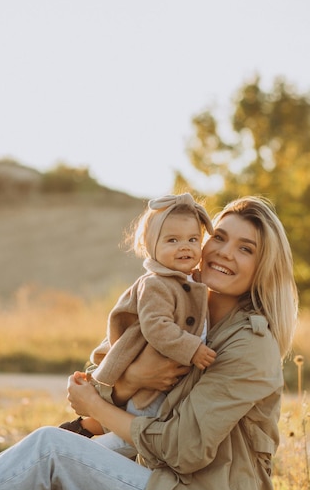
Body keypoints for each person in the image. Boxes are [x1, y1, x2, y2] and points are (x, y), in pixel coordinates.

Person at [0, 195, 298, 490]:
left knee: (49, 451)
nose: (224, 253)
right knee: (42, 460)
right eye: (220, 238)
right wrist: (130, 382)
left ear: (264, 266)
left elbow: (184, 448)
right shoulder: (182, 305)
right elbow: (108, 369)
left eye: (246, 249)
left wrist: (97, 407)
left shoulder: (251, 345)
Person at [59, 193, 216, 453]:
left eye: (193, 239)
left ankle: (85, 434)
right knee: (133, 435)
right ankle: (80, 453)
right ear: (151, 247)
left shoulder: (188, 281)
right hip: (149, 387)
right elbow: (156, 326)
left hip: (167, 385)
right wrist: (192, 348)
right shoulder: (155, 283)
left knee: (143, 431)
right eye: (172, 240)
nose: (185, 246)